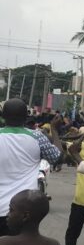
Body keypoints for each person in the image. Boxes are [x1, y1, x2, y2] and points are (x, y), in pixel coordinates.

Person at [0, 99, 61, 236]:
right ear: (26, 117)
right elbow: (57, 157)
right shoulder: (37, 137)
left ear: (3, 117)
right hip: (22, 211)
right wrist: (55, 130)